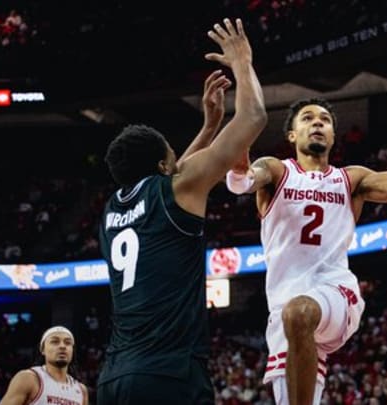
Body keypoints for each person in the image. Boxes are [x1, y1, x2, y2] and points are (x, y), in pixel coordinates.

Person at [226, 93, 387, 404]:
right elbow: (240, 182)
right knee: (294, 333)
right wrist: (241, 136)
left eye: (324, 120)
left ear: (334, 135)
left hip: (336, 292)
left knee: (300, 312)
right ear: (292, 135)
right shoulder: (277, 171)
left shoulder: (351, 180)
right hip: (284, 308)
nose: (318, 123)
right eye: (308, 118)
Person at [96, 18, 267, 405]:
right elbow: (254, 118)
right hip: (169, 374)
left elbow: (176, 176)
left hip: (113, 379)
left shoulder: (110, 211)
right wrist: (242, 62)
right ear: (162, 165)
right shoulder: (174, 186)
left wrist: (208, 128)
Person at [0, 326, 88, 405]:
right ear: (42, 350)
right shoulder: (28, 378)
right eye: (55, 342)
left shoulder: (81, 390)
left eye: (68, 343)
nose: (62, 346)